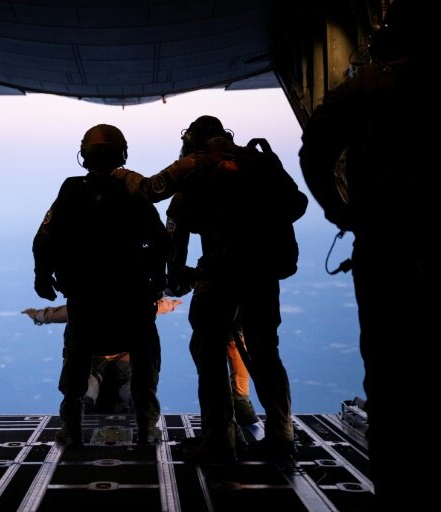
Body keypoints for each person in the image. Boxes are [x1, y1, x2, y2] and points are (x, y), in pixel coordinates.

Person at [299, 0, 441, 503]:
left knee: (390, 375)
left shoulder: (368, 87)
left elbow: (314, 152)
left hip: (385, 243)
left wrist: (340, 213)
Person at [115, 116, 307, 462]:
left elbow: (169, 224)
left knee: (208, 348)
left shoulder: (197, 170)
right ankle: (282, 434)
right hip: (264, 273)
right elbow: (297, 204)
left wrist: (175, 279)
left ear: (193, 142)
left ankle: (220, 439)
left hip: (221, 273)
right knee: (266, 350)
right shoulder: (258, 160)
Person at [32, 124, 169, 446]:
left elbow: (44, 239)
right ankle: (147, 427)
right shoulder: (135, 191)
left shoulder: (71, 189)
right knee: (145, 359)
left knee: (77, 360)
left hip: (86, 295)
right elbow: (162, 240)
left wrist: (42, 276)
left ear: (85, 155)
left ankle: (71, 428)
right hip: (132, 296)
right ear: (122, 154)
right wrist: (157, 279)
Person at [22, 298, 259, 426]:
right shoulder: (135, 302)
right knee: (133, 390)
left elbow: (62, 313)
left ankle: (79, 419)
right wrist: (170, 304)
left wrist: (38, 315)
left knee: (88, 388)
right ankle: (144, 425)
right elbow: (155, 307)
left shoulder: (87, 302)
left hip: (95, 358)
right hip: (124, 358)